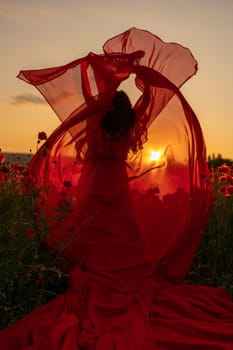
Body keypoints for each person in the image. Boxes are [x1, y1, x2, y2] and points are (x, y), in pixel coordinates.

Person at [1, 27, 233, 349]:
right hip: (118, 192)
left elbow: (83, 116)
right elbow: (150, 106)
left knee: (94, 240)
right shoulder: (130, 128)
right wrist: (140, 76)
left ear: (103, 108)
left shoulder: (94, 127)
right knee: (124, 242)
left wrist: (110, 75)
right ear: (126, 113)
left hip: (96, 189)